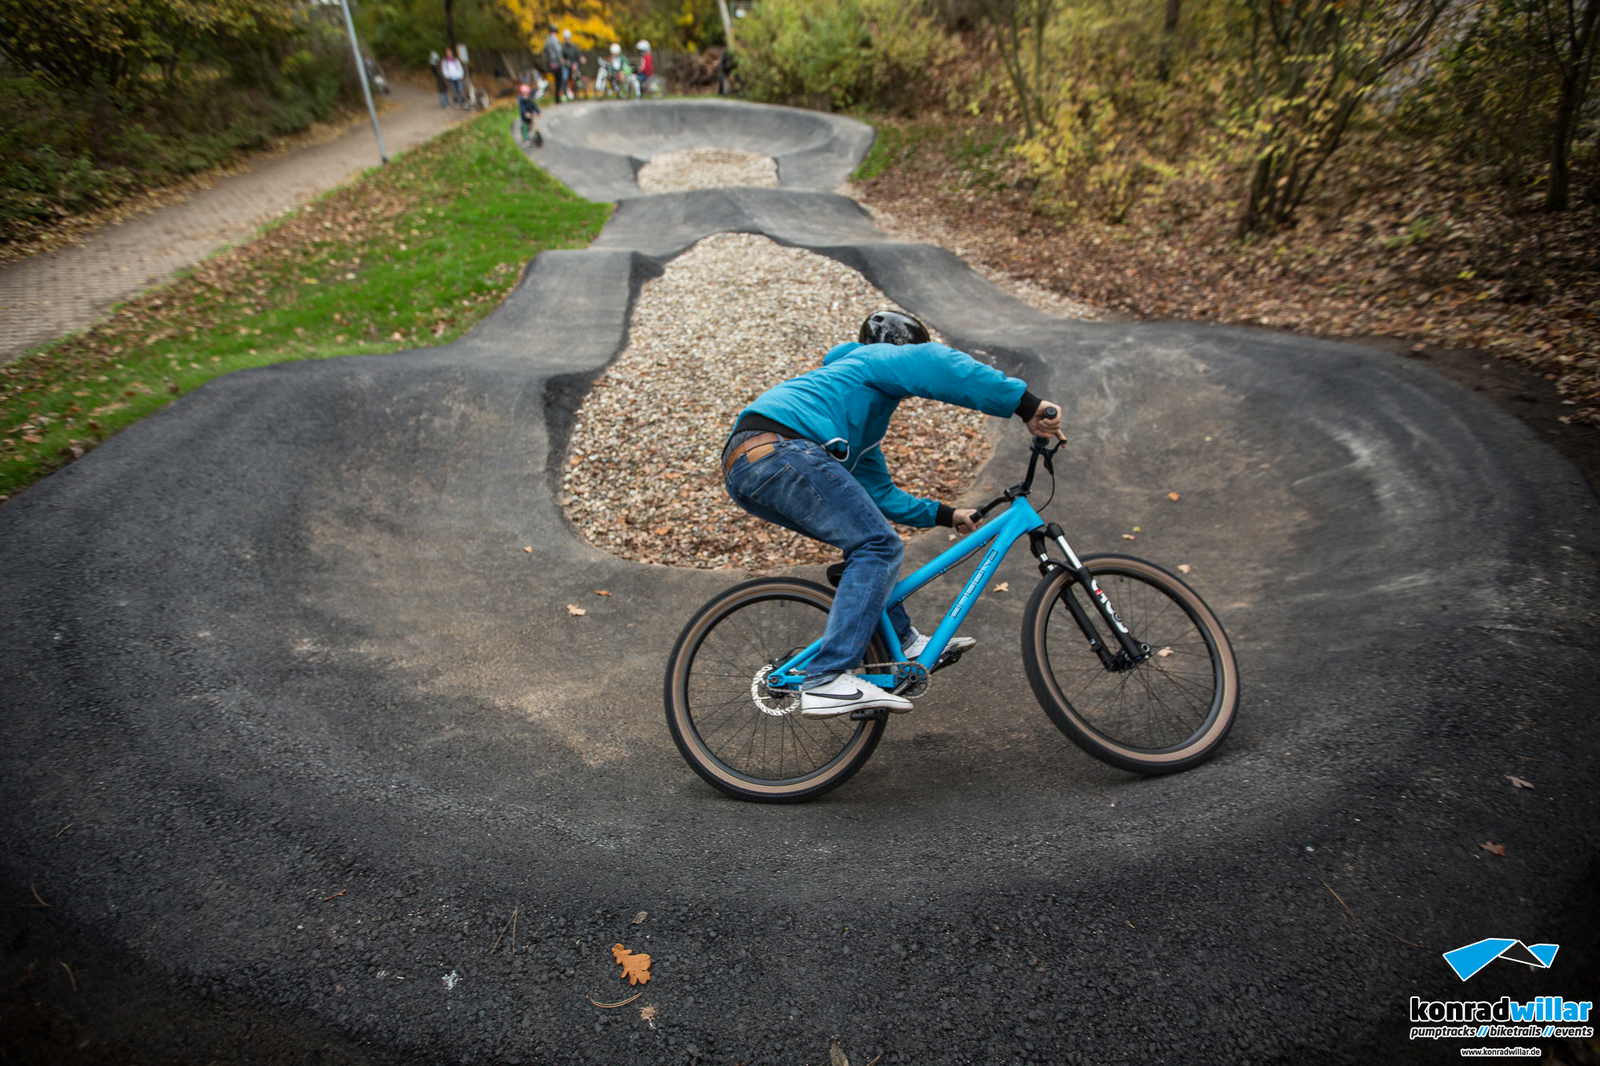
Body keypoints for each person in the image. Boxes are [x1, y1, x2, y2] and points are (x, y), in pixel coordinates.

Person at [720, 310, 1066, 719]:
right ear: (903, 348)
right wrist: (1026, 405)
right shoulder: (871, 359)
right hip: (781, 450)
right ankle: (826, 677)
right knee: (877, 545)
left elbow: (877, 491)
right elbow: (939, 364)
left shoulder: (854, 414)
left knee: (865, 540)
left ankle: (904, 642)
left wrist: (945, 513)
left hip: (750, 468)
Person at [544, 26, 564, 101]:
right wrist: (561, 60)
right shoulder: (555, 40)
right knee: (559, 81)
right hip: (557, 63)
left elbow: (545, 50)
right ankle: (558, 98)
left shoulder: (547, 41)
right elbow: (558, 51)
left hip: (551, 63)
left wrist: (549, 60)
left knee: (555, 81)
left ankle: (557, 98)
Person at [561, 30, 582, 100]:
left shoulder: (574, 47)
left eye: (568, 38)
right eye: (566, 38)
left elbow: (579, 56)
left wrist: (582, 59)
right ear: (564, 39)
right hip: (566, 65)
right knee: (564, 77)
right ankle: (564, 93)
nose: (567, 40)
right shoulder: (562, 48)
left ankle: (578, 82)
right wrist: (563, 61)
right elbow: (561, 57)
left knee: (576, 71)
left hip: (574, 64)